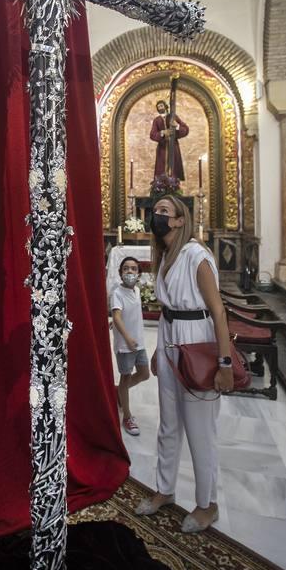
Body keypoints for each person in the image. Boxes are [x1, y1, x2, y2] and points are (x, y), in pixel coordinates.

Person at [134, 195, 233, 533]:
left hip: (197, 339)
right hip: (169, 337)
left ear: (179, 220)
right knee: (168, 423)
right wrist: (159, 351)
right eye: (155, 211)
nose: (156, 216)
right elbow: (167, 310)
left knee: (200, 430)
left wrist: (224, 363)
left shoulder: (196, 256)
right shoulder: (165, 257)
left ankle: (208, 504)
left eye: (163, 211)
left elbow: (218, 311)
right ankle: (165, 489)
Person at [110, 256, 150, 436]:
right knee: (125, 377)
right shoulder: (117, 293)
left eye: (133, 269)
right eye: (126, 269)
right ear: (120, 273)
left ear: (139, 274)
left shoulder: (136, 290)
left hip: (139, 342)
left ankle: (118, 393)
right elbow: (117, 316)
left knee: (144, 374)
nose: (129, 272)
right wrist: (127, 338)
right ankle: (127, 416)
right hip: (126, 345)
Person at [149, 99, 189, 180]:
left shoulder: (173, 117)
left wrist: (177, 126)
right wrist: (163, 132)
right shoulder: (156, 120)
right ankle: (161, 186)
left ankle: (174, 185)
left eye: (161, 105)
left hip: (173, 147)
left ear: (165, 106)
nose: (160, 108)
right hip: (162, 149)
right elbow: (152, 135)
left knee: (174, 167)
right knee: (162, 169)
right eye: (158, 107)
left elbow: (185, 129)